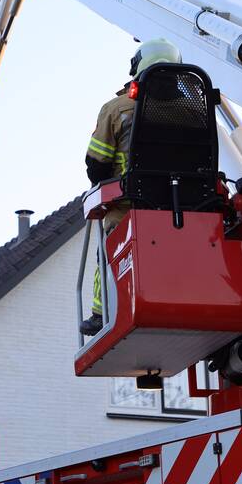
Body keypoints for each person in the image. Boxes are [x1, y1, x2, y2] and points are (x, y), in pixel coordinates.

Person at [80, 38, 183, 336]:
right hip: (181, 207)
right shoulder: (191, 110)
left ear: (138, 66)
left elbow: (97, 165)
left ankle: (101, 313)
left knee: (107, 252)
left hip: (129, 205)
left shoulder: (116, 108)